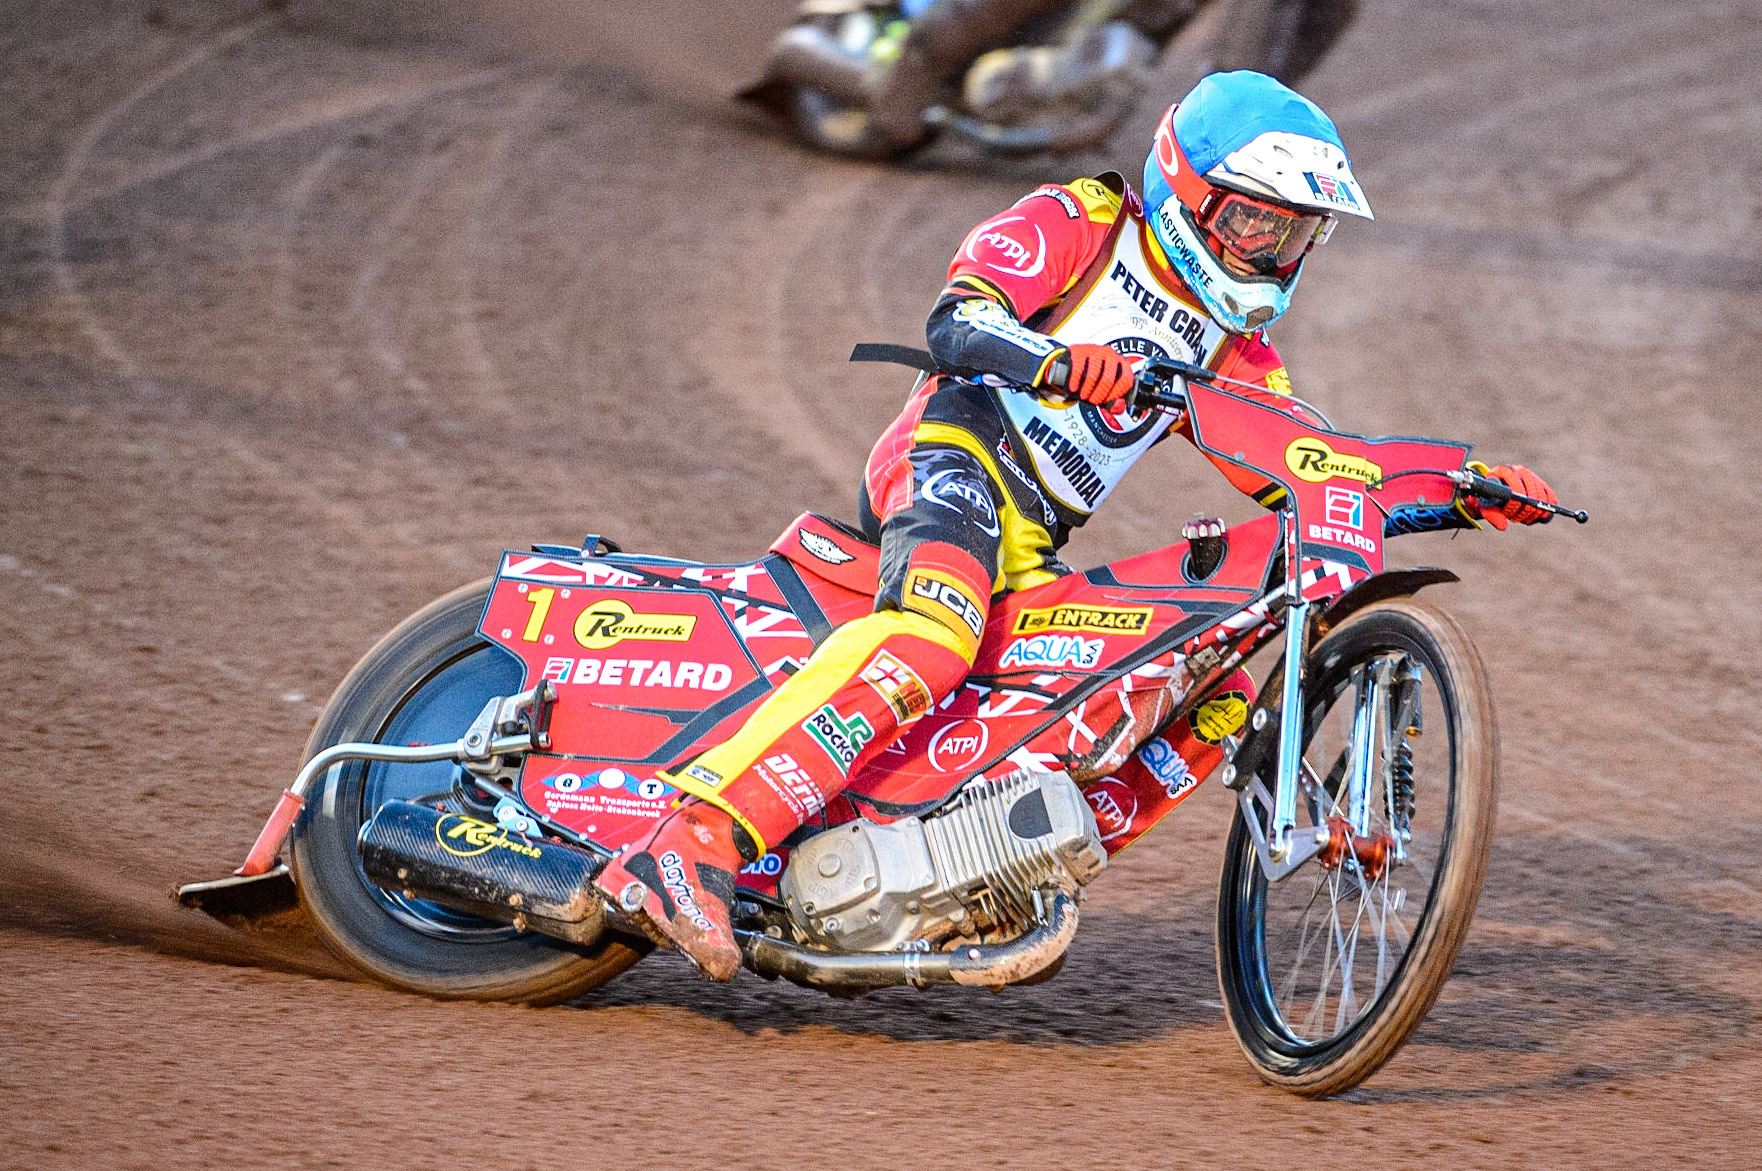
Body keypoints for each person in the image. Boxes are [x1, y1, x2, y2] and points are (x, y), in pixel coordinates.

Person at [596, 70, 1556, 979]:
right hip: (954, 456)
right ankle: (688, 841)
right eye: (1256, 218)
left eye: (1294, 231)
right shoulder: (1086, 221)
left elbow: (1309, 465)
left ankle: (946, 872)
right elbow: (957, 321)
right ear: (1187, 187)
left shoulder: (1238, 347)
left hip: (1029, 539)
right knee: (934, 637)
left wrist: (1458, 488)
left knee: (1191, 685)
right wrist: (1059, 364)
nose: (1270, 250)